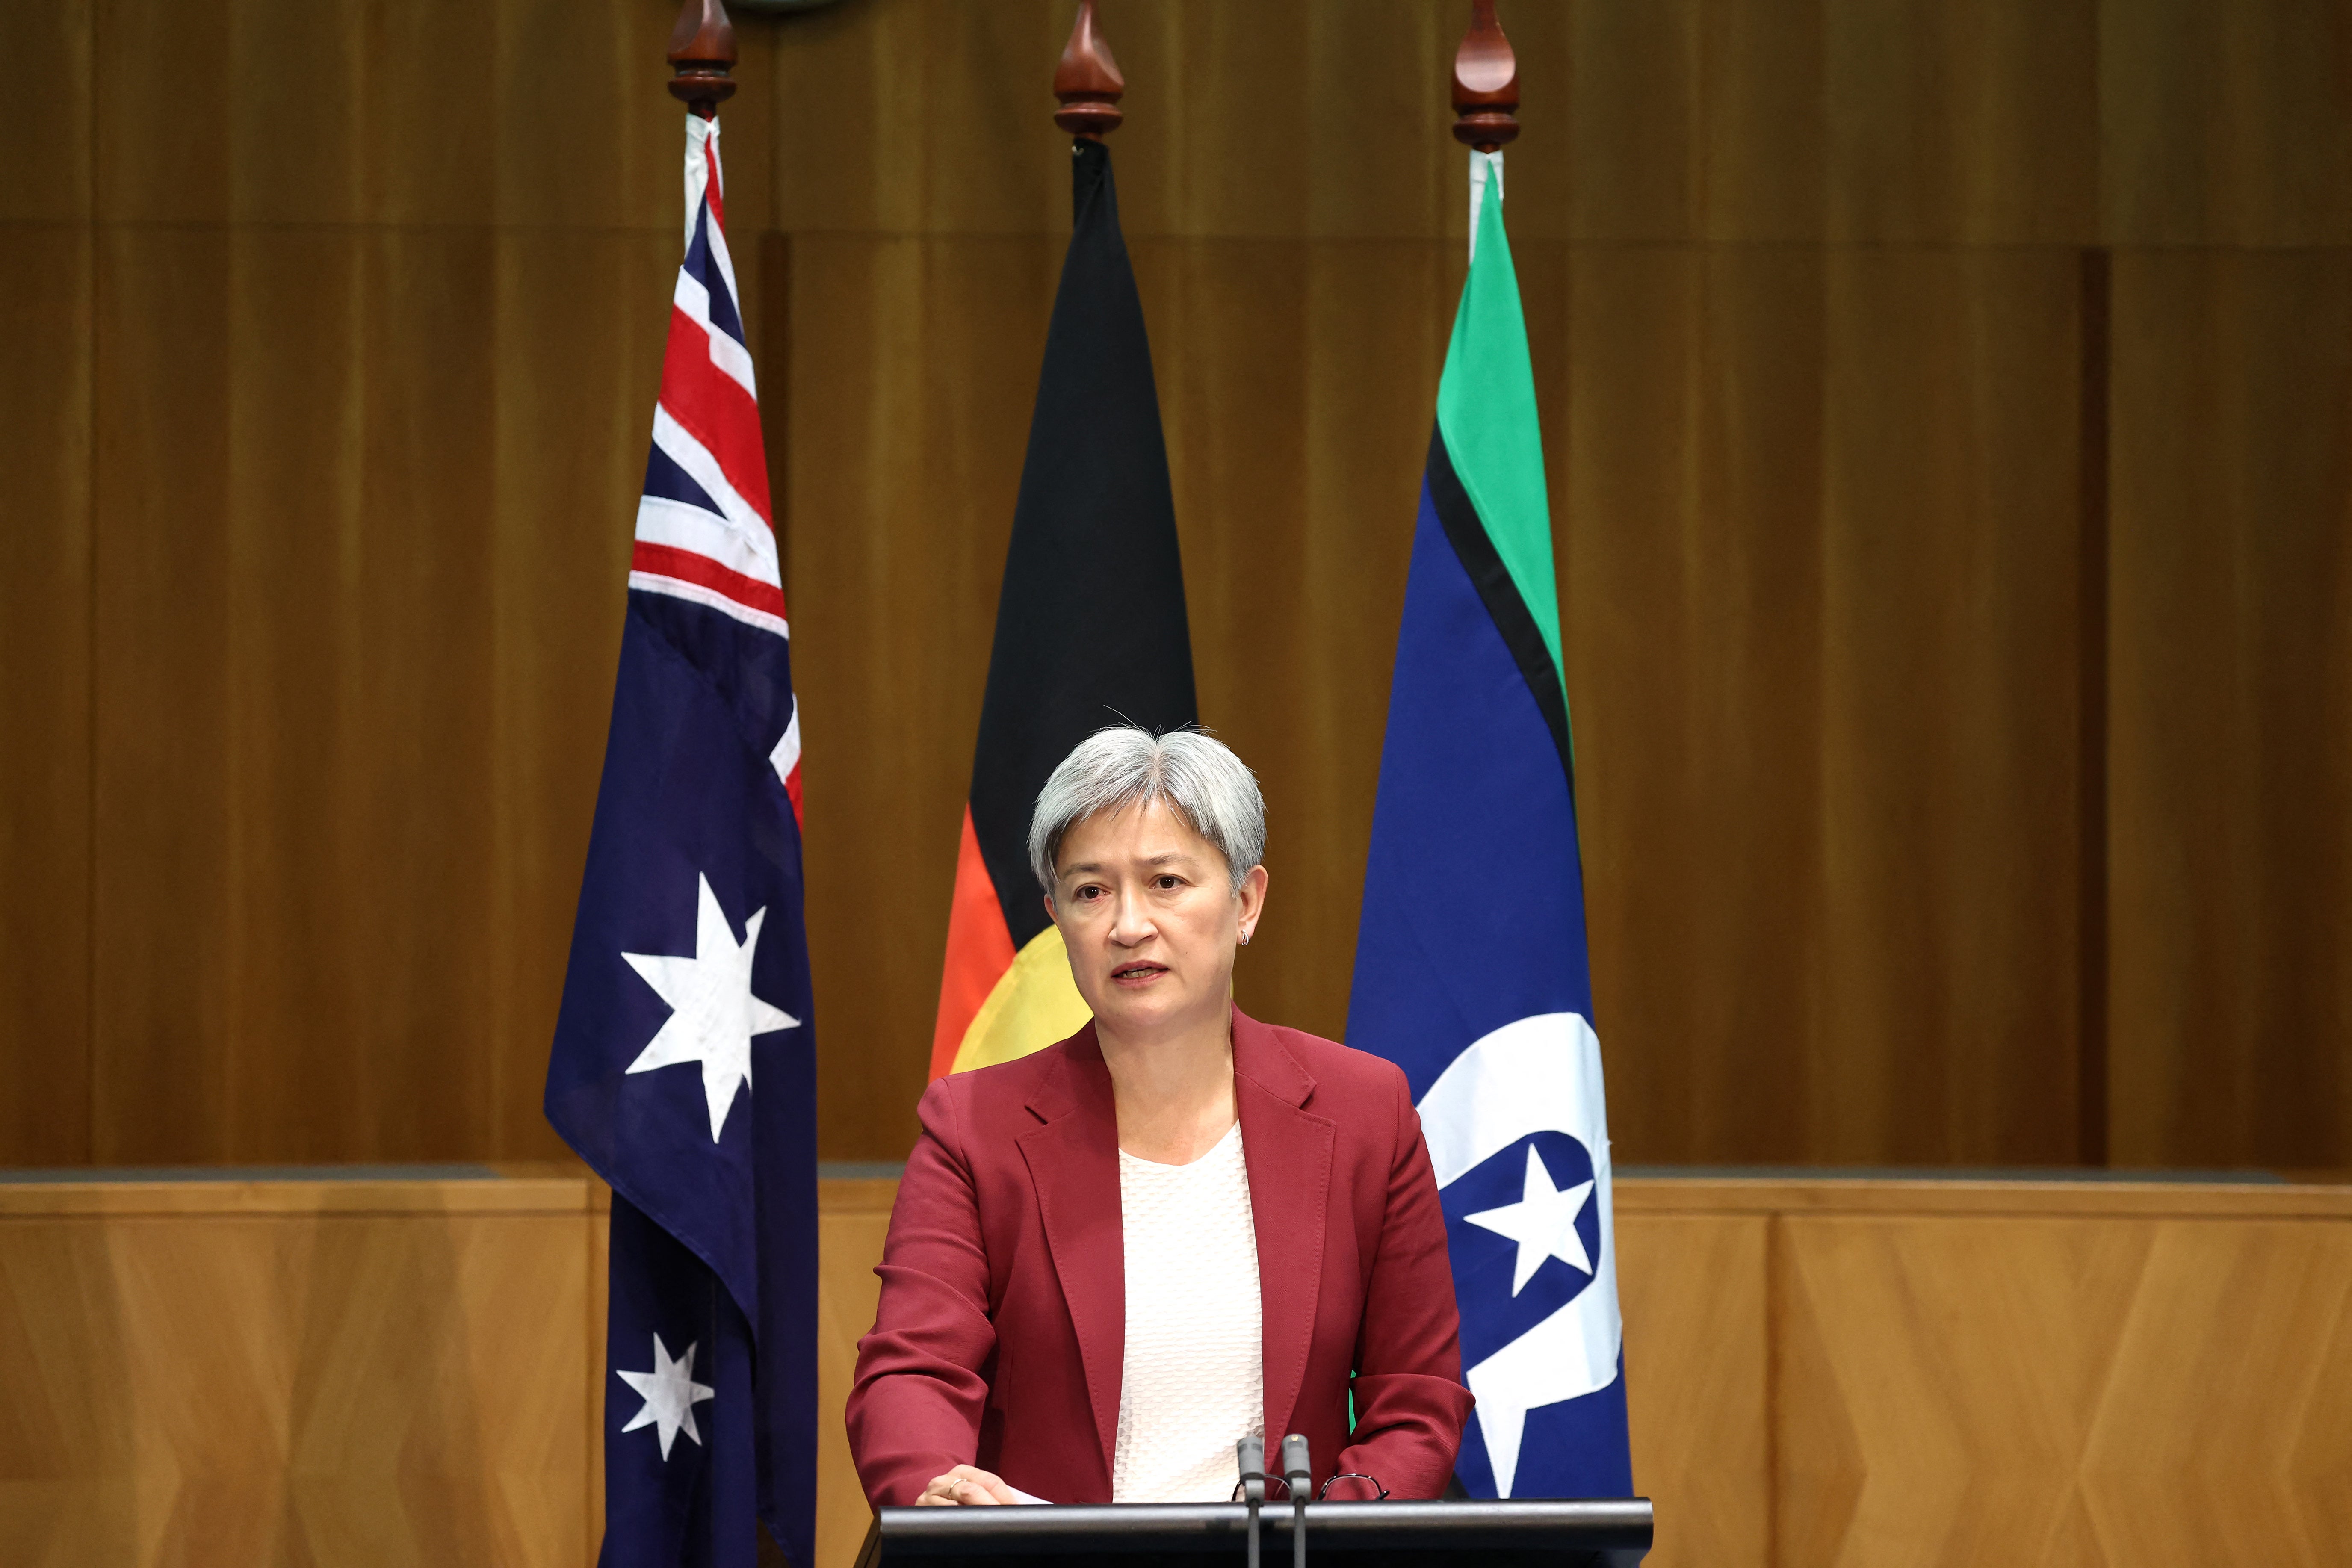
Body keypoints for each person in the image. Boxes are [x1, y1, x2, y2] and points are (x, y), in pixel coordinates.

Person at [848, 726, 1472, 1508]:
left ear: (1246, 902)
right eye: (1090, 891)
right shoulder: (973, 1128)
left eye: (1167, 882)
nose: (1128, 924)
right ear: (1058, 921)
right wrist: (943, 1498)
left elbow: (1415, 1398)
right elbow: (913, 1372)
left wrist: (1324, 1532)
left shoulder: (1365, 1114)